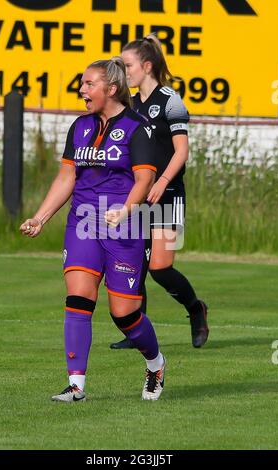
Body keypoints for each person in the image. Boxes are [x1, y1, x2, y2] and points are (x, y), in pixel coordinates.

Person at [20, 57, 166, 402]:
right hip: (82, 223)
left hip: (126, 225)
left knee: (124, 313)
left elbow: (145, 178)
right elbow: (67, 177)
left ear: (111, 89)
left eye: (88, 84)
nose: (82, 90)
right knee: (78, 297)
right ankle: (76, 385)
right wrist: (40, 218)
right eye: (82, 84)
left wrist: (126, 210)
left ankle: (155, 364)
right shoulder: (80, 127)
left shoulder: (137, 127)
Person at [110, 35, 209, 351]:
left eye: (128, 66)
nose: (124, 72)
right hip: (140, 194)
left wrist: (162, 181)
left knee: (160, 268)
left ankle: (196, 309)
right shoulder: (131, 105)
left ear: (147, 65)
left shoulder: (171, 100)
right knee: (135, 264)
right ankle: (136, 332)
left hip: (168, 194)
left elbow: (182, 151)